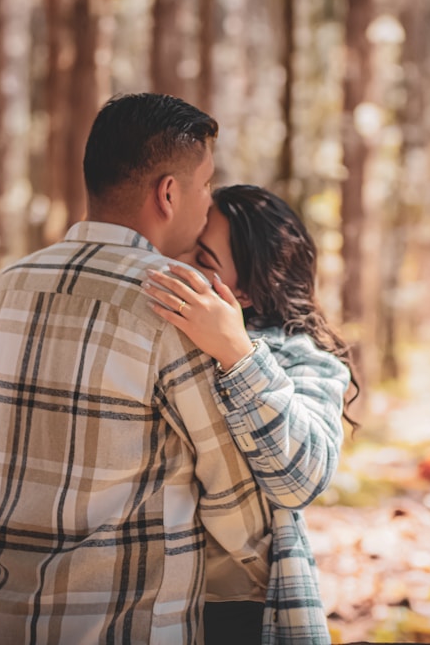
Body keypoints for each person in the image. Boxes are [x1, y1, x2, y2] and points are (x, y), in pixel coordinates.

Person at [0, 94, 271, 645]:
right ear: (169, 192)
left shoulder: (11, 285)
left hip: (3, 621)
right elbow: (232, 500)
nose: (209, 203)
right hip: (123, 627)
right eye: (205, 186)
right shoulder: (175, 300)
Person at [142, 185, 356, 645]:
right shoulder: (155, 332)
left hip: (241, 611)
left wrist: (237, 354)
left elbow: (302, 478)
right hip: (148, 601)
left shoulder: (305, 359)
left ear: (243, 289)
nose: (179, 263)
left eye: (204, 258)